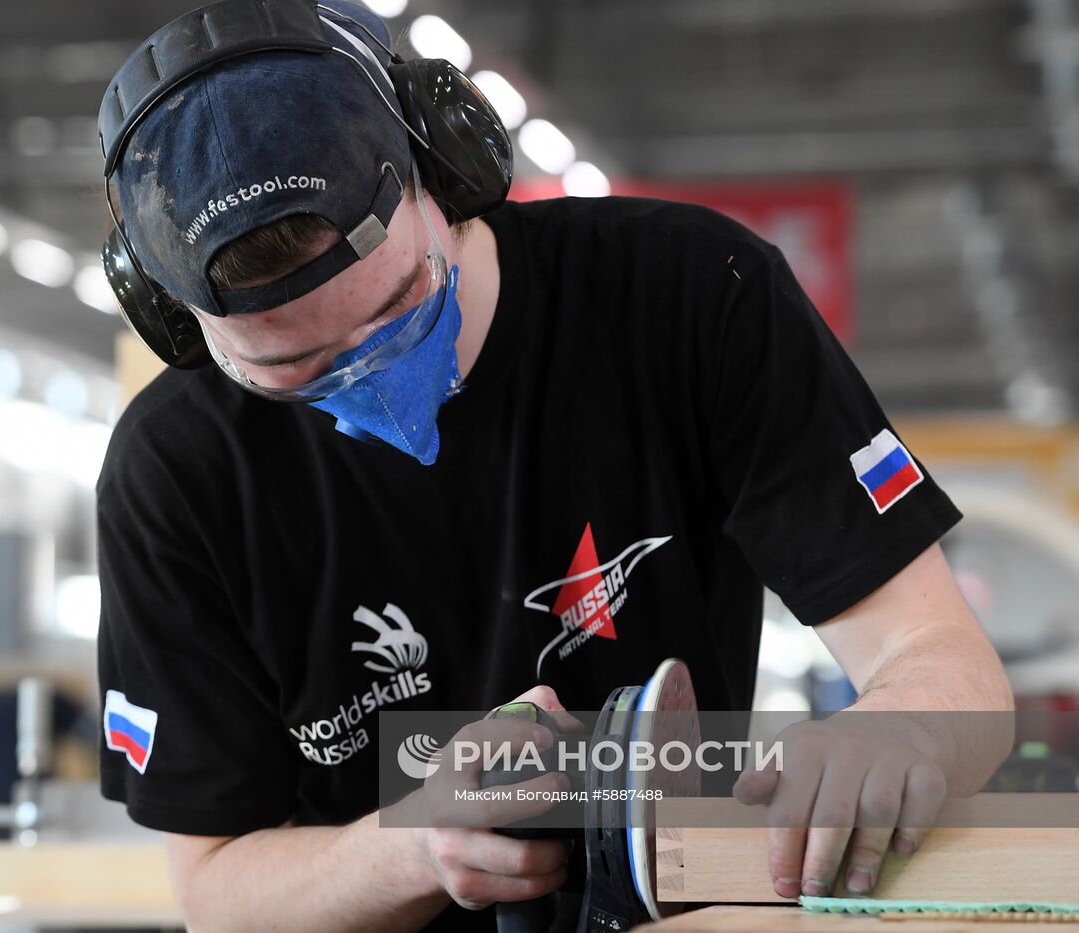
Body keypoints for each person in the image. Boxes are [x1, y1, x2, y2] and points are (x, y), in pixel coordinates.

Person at [93, 1, 1014, 929]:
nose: (371, 374)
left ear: (442, 163)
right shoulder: (174, 473)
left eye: (398, 309)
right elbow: (217, 894)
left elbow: (946, 661)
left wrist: (895, 729)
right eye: (299, 367)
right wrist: (414, 844)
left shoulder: (692, 297)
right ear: (183, 326)